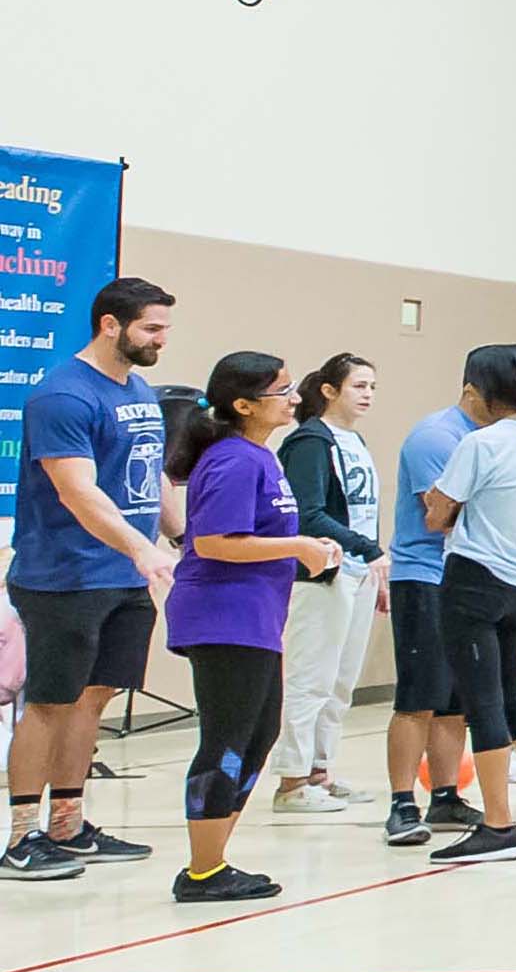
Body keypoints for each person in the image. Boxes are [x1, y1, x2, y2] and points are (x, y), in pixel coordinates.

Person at [3, 275, 178, 879]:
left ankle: (68, 826)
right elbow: (77, 491)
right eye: (151, 328)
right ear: (112, 325)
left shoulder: (140, 389)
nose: (161, 340)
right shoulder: (63, 396)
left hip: (123, 575)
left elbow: (148, 475)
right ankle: (22, 836)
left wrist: (181, 537)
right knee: (50, 703)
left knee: (93, 699)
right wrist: (139, 547)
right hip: (64, 576)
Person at [163, 353, 339, 902]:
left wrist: (308, 549)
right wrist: (299, 546)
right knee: (228, 739)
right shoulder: (235, 460)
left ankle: (213, 860)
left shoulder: (260, 457)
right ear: (243, 405)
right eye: (281, 391)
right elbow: (214, 542)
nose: (293, 398)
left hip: (254, 617)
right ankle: (202, 870)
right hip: (222, 616)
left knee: (258, 735)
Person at [417, 345, 516, 863]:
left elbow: (438, 514)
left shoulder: (480, 444)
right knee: (514, 697)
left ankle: (498, 825)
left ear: (484, 392)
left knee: (483, 703)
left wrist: (440, 509)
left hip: (475, 583)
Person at [272, 352, 387, 813]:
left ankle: (321, 770)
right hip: (321, 575)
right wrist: (368, 548)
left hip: (356, 574)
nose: (368, 396)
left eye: (373, 387)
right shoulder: (311, 442)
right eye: (360, 386)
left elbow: (363, 509)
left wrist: (372, 569)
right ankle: (292, 780)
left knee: (340, 682)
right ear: (329, 390)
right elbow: (308, 513)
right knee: (310, 677)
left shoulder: (354, 440)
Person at [382, 383, 483, 850]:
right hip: (423, 575)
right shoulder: (436, 437)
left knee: (455, 699)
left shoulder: (492, 436)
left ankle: (445, 796)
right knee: (419, 694)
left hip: (468, 576)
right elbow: (436, 514)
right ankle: (402, 802)